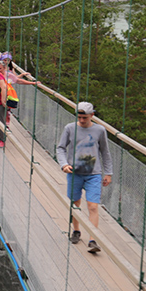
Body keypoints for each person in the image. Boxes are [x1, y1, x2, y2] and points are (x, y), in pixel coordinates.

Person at [56, 102, 114, 254]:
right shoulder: (70, 128)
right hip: (74, 172)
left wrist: (108, 173)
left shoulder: (99, 130)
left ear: (92, 116)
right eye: (79, 117)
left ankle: (92, 240)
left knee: (93, 206)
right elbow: (61, 148)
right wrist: (63, 164)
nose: (81, 120)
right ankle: (76, 230)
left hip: (93, 174)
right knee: (75, 203)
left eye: (85, 118)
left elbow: (105, 152)